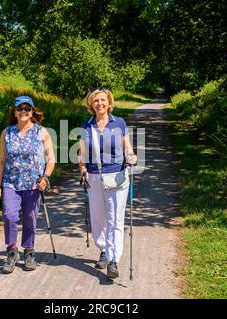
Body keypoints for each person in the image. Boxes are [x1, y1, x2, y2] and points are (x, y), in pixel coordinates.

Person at [78, 87, 137, 279]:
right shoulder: (87, 126)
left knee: (115, 219)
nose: (100, 103)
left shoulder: (119, 122)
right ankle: (103, 249)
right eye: (96, 101)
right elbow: (82, 154)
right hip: (94, 176)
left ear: (109, 103)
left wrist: (131, 156)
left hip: (117, 176)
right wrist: (83, 171)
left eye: (103, 100)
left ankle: (113, 260)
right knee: (98, 218)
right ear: (91, 104)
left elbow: (126, 146)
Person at [0, 96, 55, 274]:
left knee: (30, 218)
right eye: (19, 108)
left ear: (32, 111)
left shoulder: (41, 132)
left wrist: (45, 177)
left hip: (33, 184)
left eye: (27, 108)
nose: (23, 111)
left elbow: (51, 158)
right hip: (10, 182)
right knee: (9, 215)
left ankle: (29, 251)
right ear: (14, 111)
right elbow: (2, 160)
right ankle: (12, 251)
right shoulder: (7, 132)